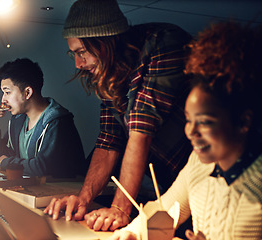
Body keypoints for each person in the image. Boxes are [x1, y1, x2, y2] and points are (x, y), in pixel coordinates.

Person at [44, 0, 192, 231]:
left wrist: (120, 209)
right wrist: (84, 200)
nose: (78, 63)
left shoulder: (164, 42)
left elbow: (140, 130)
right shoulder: (109, 71)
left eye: (82, 52)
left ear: (105, 42)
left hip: (210, 173)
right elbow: (108, 139)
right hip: (173, 184)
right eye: (72, 53)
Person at [110, 21, 262, 240]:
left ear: (243, 121)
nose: (191, 131)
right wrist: (130, 233)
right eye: (189, 119)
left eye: (205, 122)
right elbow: (162, 209)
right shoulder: (198, 164)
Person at [0, 58, 86, 178]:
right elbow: (2, 157)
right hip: (35, 189)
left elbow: (43, 167)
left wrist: (6, 164)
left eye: (7, 92)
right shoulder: (18, 120)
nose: (3, 100)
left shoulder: (56, 121)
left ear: (27, 92)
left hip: (64, 192)